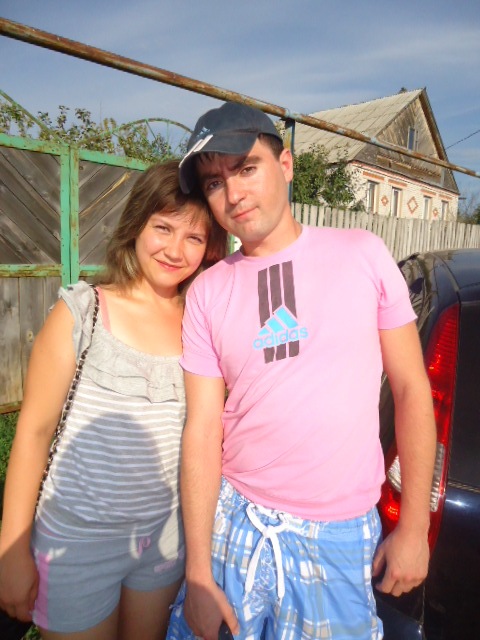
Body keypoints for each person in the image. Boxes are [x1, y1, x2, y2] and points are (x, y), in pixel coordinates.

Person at [166, 102, 437, 640]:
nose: (233, 193)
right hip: (234, 525)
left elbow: (411, 390)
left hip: (336, 538)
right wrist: (197, 570)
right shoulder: (208, 291)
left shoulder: (363, 255)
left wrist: (414, 525)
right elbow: (202, 428)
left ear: (286, 165)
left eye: (246, 168)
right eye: (215, 182)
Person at [0, 160, 227, 640]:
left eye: (193, 237)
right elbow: (34, 432)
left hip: (163, 542)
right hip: (77, 543)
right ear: (136, 224)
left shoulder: (202, 323)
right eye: (162, 228)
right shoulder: (83, 311)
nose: (175, 250)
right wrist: (12, 550)